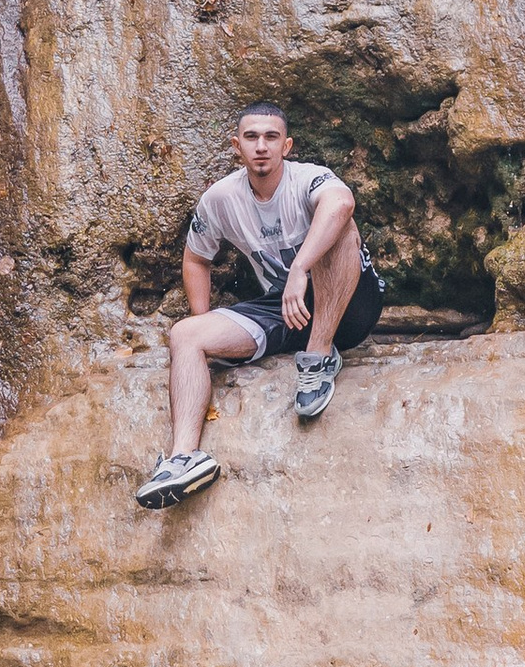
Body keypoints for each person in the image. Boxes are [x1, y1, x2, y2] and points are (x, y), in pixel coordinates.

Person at [134, 104, 385, 508]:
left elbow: (340, 204)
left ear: (286, 145)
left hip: (348, 307)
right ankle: (184, 458)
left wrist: (301, 267)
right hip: (284, 310)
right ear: (237, 146)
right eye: (251, 138)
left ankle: (319, 356)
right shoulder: (221, 198)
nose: (261, 146)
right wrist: (205, 321)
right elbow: (196, 258)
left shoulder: (306, 178)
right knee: (185, 334)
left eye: (270, 137)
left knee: (338, 224)